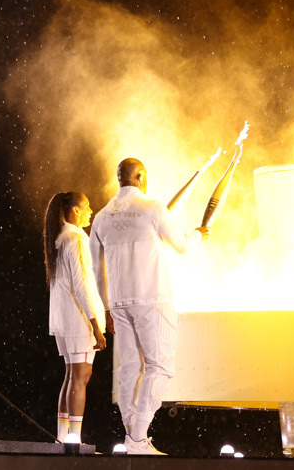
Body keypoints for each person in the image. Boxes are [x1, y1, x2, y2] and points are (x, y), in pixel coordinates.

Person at [90, 158, 210, 455]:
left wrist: (105, 310)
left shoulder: (102, 217)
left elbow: (95, 268)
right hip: (153, 299)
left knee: (131, 367)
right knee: (159, 366)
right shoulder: (153, 208)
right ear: (141, 176)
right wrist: (198, 235)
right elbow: (181, 246)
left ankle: (135, 438)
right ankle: (138, 436)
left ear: (119, 179)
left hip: (119, 302)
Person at [44, 191, 107, 445]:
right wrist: (96, 326)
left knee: (71, 376)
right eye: (87, 206)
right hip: (78, 321)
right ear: (75, 211)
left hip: (63, 320)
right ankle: (74, 440)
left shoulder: (58, 239)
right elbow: (82, 286)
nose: (91, 211)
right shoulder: (75, 239)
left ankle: (63, 438)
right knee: (80, 378)